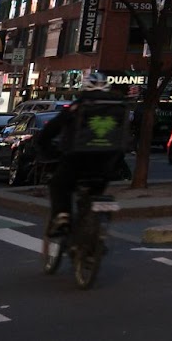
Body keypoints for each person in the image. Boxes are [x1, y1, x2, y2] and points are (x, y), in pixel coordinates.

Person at [34, 73, 130, 236]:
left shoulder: (77, 107)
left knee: (59, 184)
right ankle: (96, 235)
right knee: (96, 192)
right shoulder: (119, 108)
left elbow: (50, 131)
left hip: (77, 160)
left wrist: (44, 147)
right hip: (108, 161)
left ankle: (62, 217)